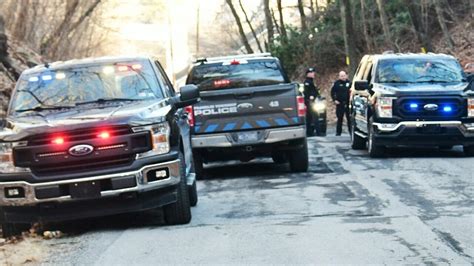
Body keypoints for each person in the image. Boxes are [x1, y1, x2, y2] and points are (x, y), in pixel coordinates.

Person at [331, 71, 351, 136]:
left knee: (349, 119)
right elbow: (332, 92)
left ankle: (351, 131)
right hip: (340, 104)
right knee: (340, 118)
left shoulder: (349, 83)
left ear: (346, 76)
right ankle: (338, 132)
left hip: (348, 104)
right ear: (339, 76)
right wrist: (335, 100)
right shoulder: (336, 84)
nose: (343, 77)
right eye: (341, 76)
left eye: (344, 75)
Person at [303, 67, 319, 135]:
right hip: (309, 102)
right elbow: (307, 92)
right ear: (308, 74)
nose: (313, 74)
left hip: (312, 102)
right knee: (314, 117)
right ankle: (317, 132)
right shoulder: (307, 82)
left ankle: (310, 132)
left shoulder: (311, 81)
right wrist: (311, 96)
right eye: (311, 73)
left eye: (313, 72)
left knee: (310, 117)